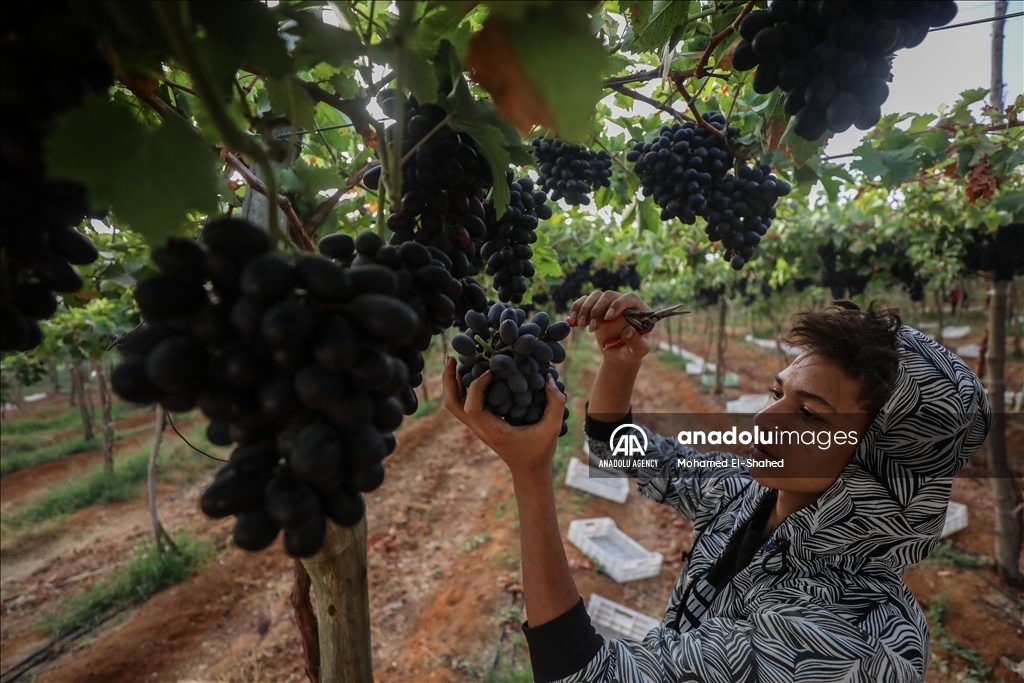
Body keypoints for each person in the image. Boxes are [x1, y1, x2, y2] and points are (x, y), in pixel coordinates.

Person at [442, 290, 991, 683]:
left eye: (811, 415)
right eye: (778, 392)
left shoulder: (845, 644)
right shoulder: (749, 498)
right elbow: (620, 447)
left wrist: (531, 474)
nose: (766, 420)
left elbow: (579, 674)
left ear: (881, 463)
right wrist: (623, 361)